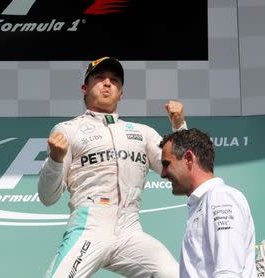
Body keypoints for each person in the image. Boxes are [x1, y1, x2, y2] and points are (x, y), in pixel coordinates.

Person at [38, 56, 186, 278]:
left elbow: (182, 169)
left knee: (175, 274)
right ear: (84, 88)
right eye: (100, 78)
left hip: (130, 231)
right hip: (90, 227)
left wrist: (179, 127)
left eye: (115, 80)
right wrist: (55, 160)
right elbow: (47, 197)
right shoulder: (67, 130)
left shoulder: (142, 133)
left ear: (121, 93)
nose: (108, 83)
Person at [159, 128, 257, 277]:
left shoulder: (220, 198)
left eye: (166, 164)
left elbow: (228, 272)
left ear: (189, 158)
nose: (163, 174)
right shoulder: (205, 202)